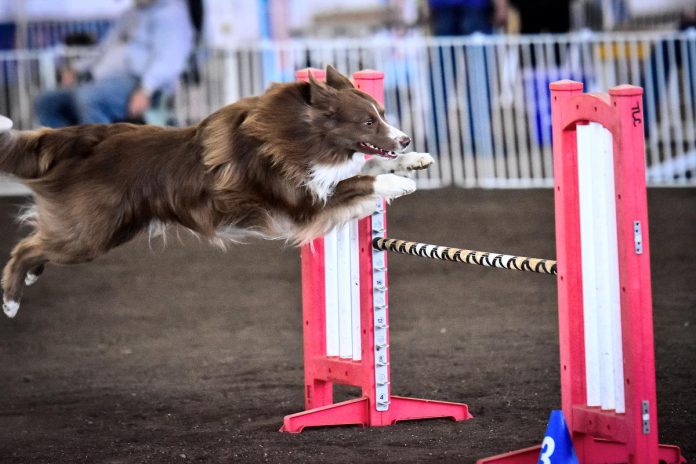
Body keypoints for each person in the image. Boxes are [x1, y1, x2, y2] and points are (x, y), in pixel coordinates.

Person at [34, 0, 194, 128]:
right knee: (47, 101)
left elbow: (169, 60)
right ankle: (66, 155)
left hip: (137, 83)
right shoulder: (130, 14)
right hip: (102, 80)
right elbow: (104, 48)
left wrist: (146, 89)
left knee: (90, 98)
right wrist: (76, 69)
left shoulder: (171, 14)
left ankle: (100, 161)